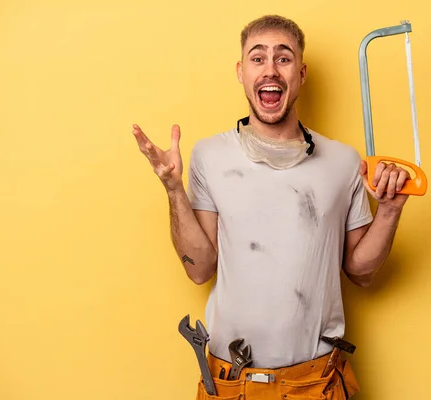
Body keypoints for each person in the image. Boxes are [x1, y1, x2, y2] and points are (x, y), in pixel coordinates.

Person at [132, 14, 410, 400]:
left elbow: (361, 272)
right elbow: (200, 271)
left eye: (284, 58)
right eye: (257, 58)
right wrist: (173, 190)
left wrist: (391, 210)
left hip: (316, 383)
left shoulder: (343, 161)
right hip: (231, 383)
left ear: (301, 72)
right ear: (241, 72)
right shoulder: (210, 155)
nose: (271, 69)